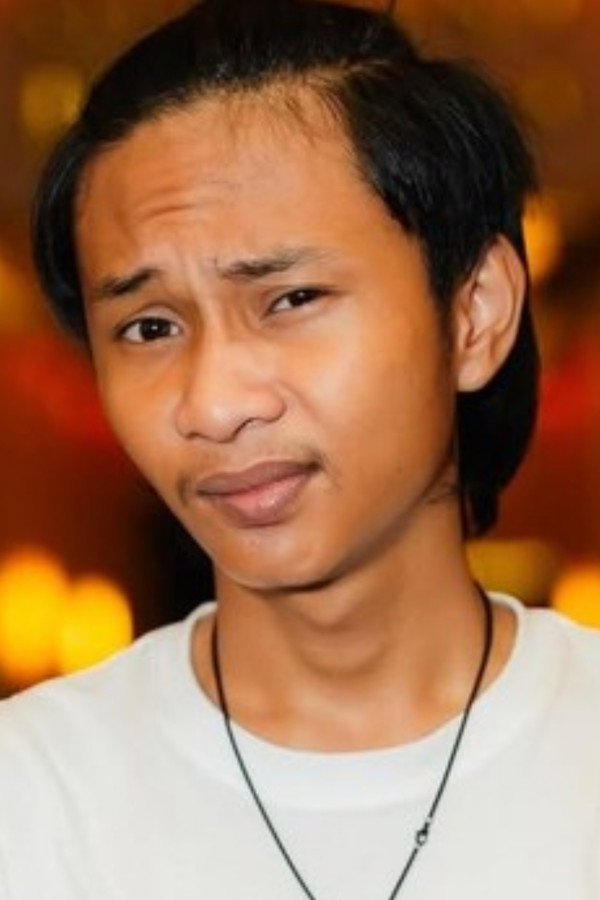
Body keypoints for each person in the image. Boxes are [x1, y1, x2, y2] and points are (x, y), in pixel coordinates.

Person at [1, 0, 599, 897]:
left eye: (290, 300)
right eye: (150, 326)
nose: (213, 404)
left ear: (473, 315)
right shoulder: (34, 799)